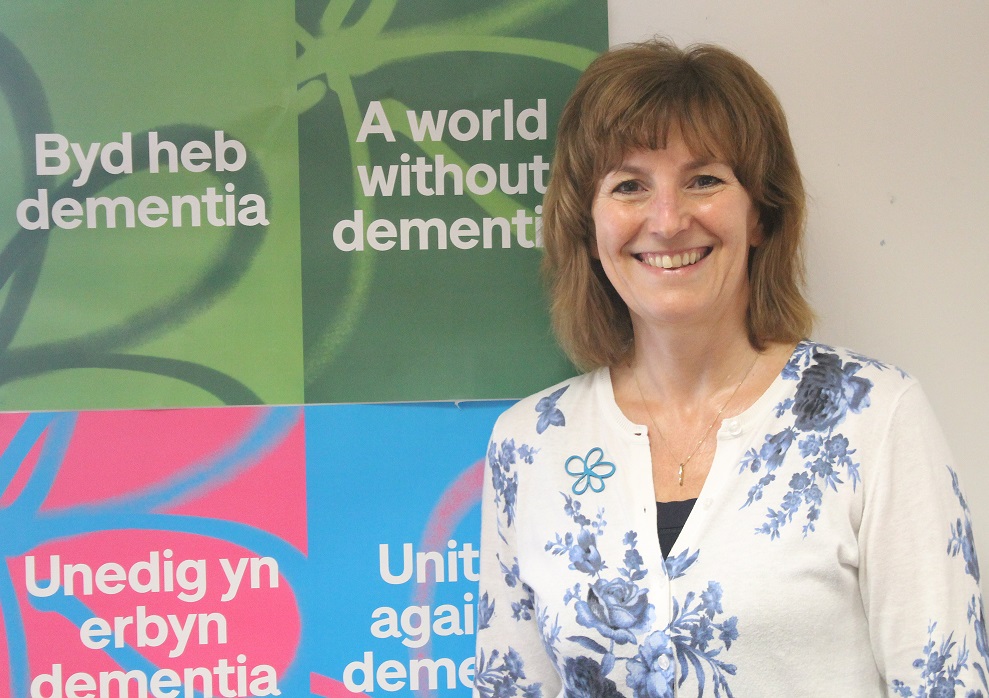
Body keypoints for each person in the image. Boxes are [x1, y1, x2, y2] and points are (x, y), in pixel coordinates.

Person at [473, 38, 988, 697]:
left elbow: (946, 685)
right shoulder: (528, 447)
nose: (666, 219)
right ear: (587, 224)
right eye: (628, 185)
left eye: (703, 180)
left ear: (761, 215)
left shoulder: (874, 418)